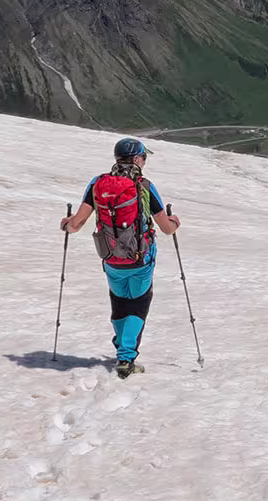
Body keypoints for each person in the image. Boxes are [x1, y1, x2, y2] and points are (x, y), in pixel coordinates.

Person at [62, 137, 180, 377]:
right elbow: (166, 228)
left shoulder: (98, 184)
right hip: (141, 259)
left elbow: (77, 224)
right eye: (143, 157)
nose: (145, 161)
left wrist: (66, 224)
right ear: (137, 159)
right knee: (138, 303)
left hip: (111, 258)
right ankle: (126, 358)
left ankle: (122, 347)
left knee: (119, 301)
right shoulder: (143, 185)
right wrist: (175, 221)